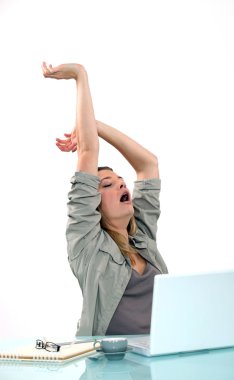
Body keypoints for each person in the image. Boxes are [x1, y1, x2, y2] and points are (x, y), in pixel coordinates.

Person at [42, 62, 168, 336]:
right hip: (107, 365)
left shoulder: (143, 236)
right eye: (108, 184)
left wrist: (95, 125)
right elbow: (88, 150)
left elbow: (148, 165)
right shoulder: (86, 244)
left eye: (121, 181)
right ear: (93, 206)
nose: (122, 183)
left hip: (155, 358)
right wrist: (80, 75)